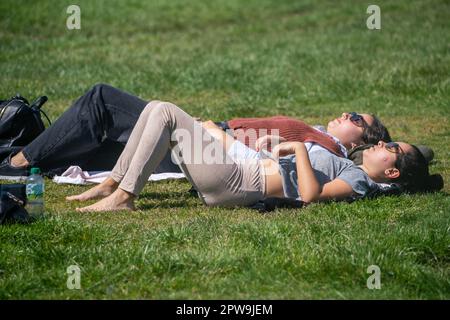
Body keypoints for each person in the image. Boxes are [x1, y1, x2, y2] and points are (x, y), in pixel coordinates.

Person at [65, 101, 442, 212]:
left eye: (392, 149)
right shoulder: (351, 166)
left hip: (235, 183)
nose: (383, 145)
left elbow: (309, 195)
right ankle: (112, 184)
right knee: (155, 110)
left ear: (391, 173)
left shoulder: (359, 181)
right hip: (234, 170)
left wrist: (297, 150)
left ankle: (124, 197)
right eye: (388, 142)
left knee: (165, 112)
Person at [0, 83, 391, 180]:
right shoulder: (322, 135)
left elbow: (275, 160)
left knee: (102, 101)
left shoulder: (329, 151)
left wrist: (215, 136)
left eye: (358, 118)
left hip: (203, 147)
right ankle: (16, 158)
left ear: (363, 140)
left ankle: (17, 163)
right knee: (89, 146)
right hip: (203, 141)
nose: (348, 113)